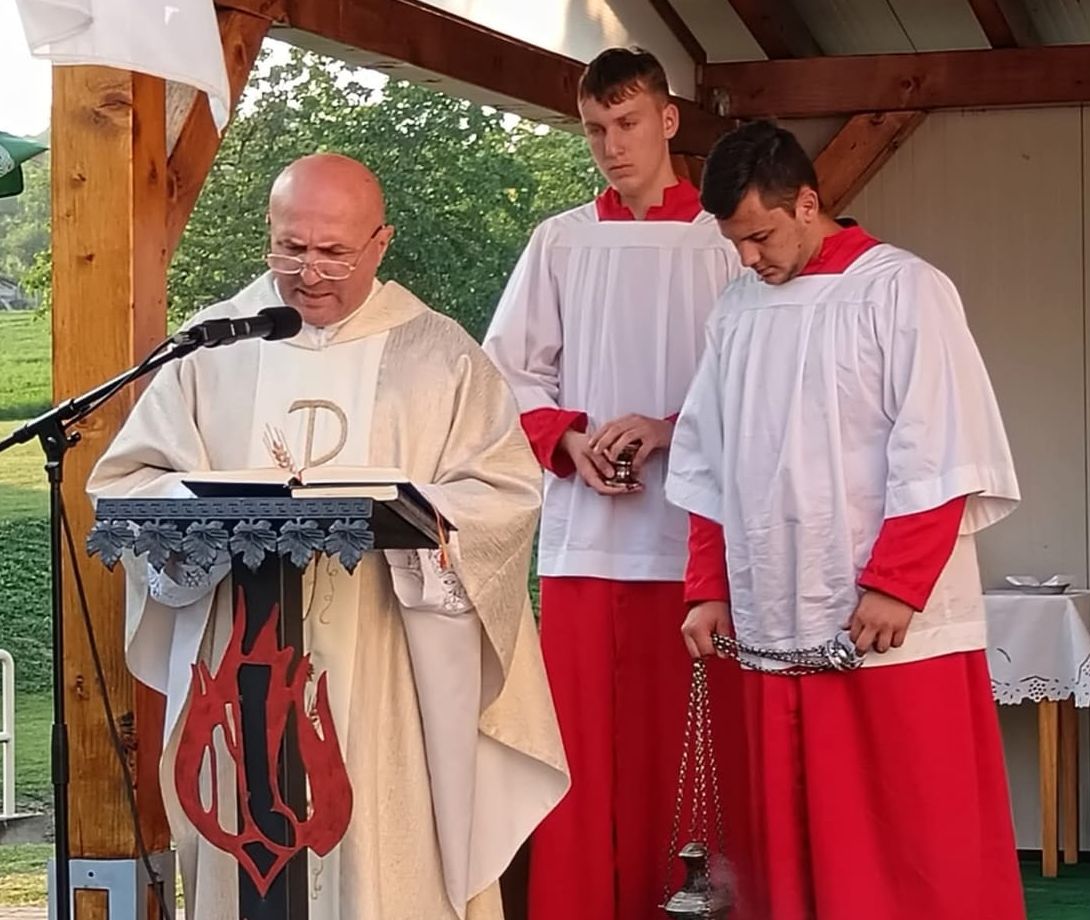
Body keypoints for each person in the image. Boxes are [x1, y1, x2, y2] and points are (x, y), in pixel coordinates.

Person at [87, 153, 569, 919]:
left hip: (385, 666)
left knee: (380, 864)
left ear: (380, 243)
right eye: (291, 248)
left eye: (334, 253)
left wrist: (414, 513)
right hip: (242, 667)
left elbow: (504, 495)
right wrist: (204, 511)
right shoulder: (211, 348)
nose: (309, 274)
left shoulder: (437, 354)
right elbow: (128, 483)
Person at [667, 119, 1025, 920]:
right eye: (734, 243)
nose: (748, 259)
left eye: (759, 236)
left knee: (910, 832)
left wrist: (896, 582)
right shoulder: (736, 309)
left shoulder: (904, 290)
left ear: (806, 202)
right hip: (772, 612)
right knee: (791, 840)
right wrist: (707, 586)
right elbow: (707, 461)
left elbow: (940, 446)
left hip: (885, 620)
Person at [480, 47, 749, 920]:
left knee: (691, 747)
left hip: (697, 540)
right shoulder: (559, 241)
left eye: (627, 123)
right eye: (595, 129)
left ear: (668, 119)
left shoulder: (724, 242)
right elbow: (505, 374)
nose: (611, 145)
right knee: (583, 750)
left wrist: (669, 429)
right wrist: (568, 440)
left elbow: (753, 375)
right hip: (586, 541)